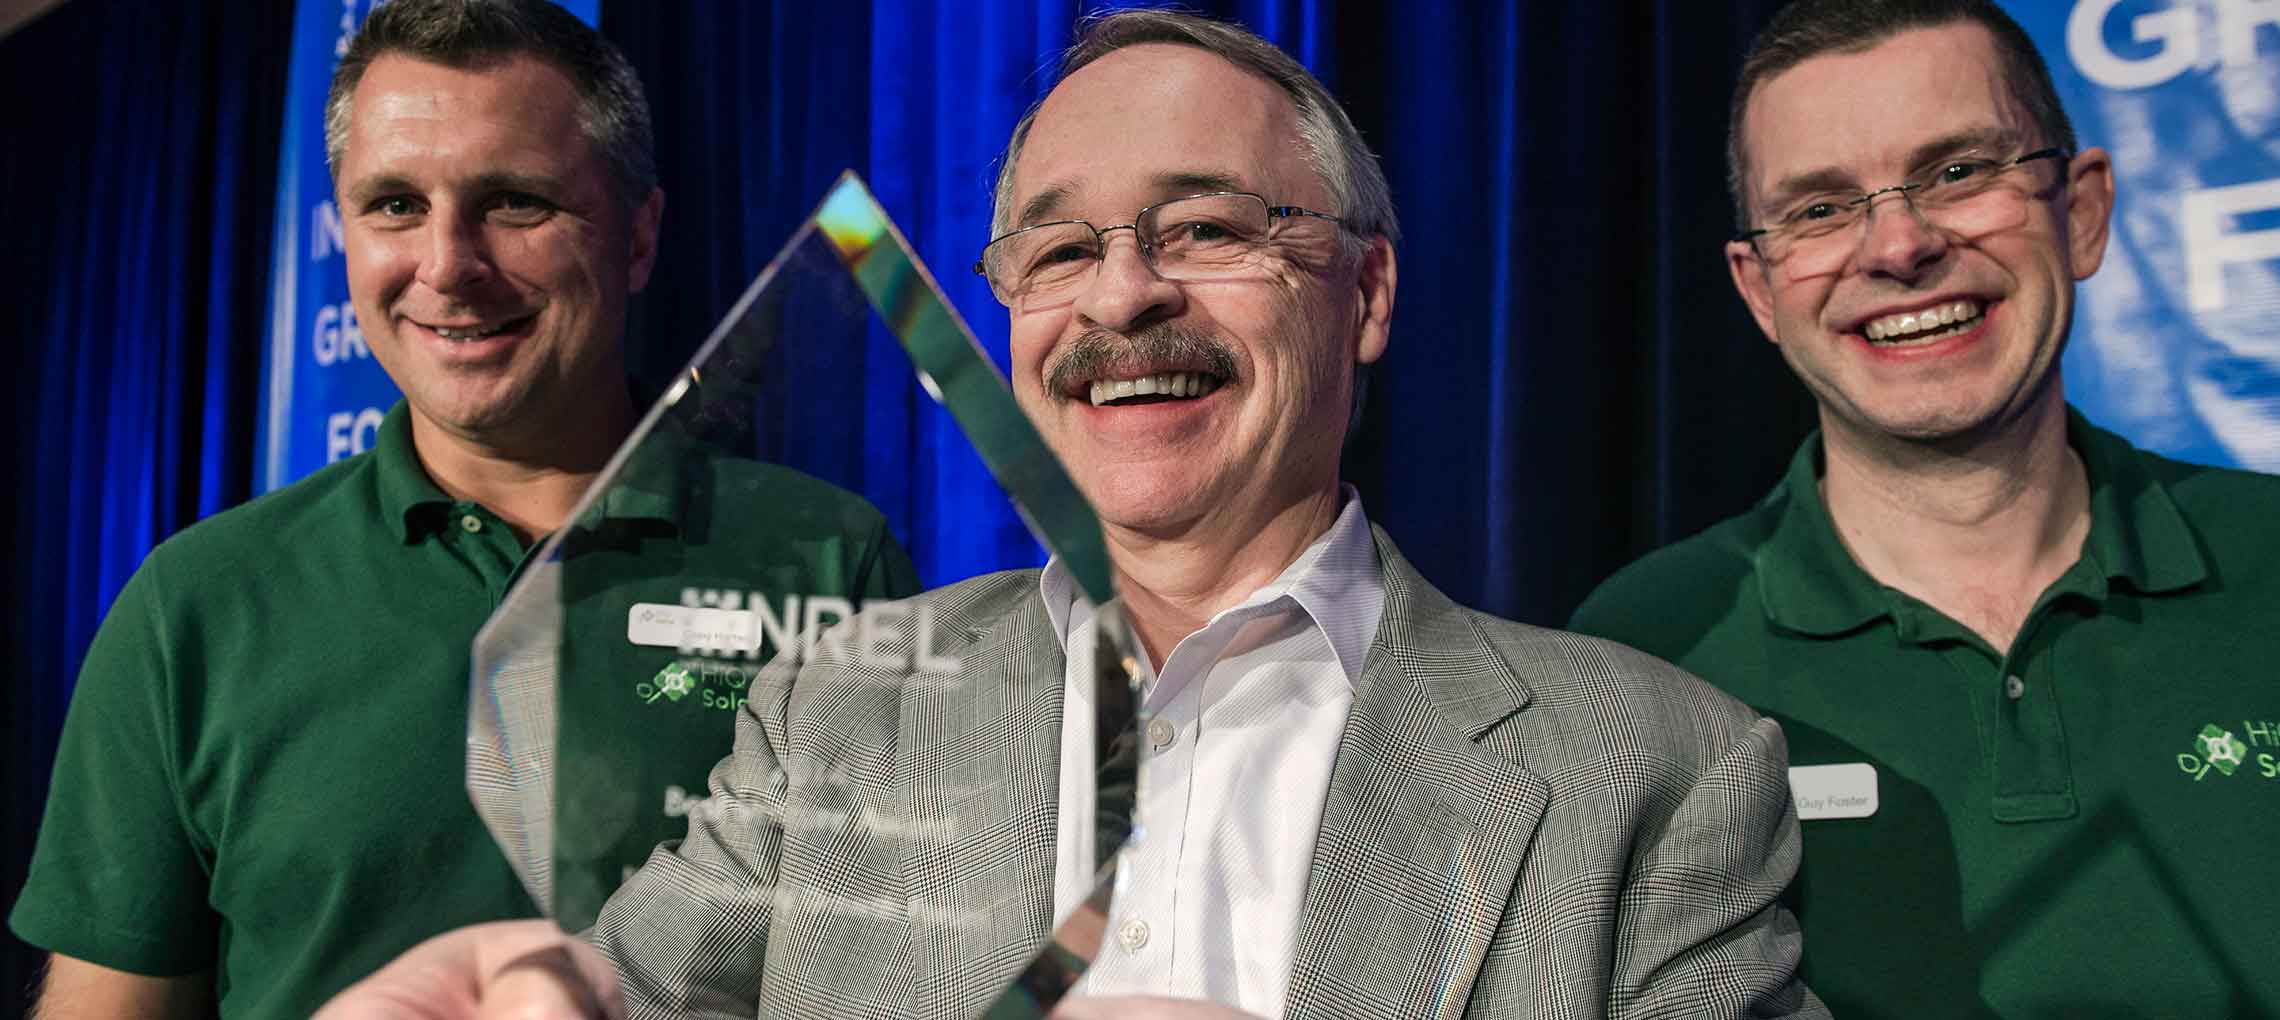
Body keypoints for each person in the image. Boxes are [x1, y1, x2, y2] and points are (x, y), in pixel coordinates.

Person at [323, 10, 1826, 1019]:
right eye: (1058, 253)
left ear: (1365, 292)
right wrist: (536, 986)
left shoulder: (1659, 774)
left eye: (1208, 229)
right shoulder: (841, 700)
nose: (1124, 294)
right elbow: (646, 986)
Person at [7, 2, 914, 1018]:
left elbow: (900, 968)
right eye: (394, 204)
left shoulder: (831, 560)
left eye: (515, 202)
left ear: (640, 236)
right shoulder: (197, 604)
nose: (447, 265)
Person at [1568, 0, 2280, 1015]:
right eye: (1818, 208)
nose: (1898, 245)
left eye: (1958, 172)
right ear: (1760, 289)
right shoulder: (1639, 655)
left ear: (2081, 210)